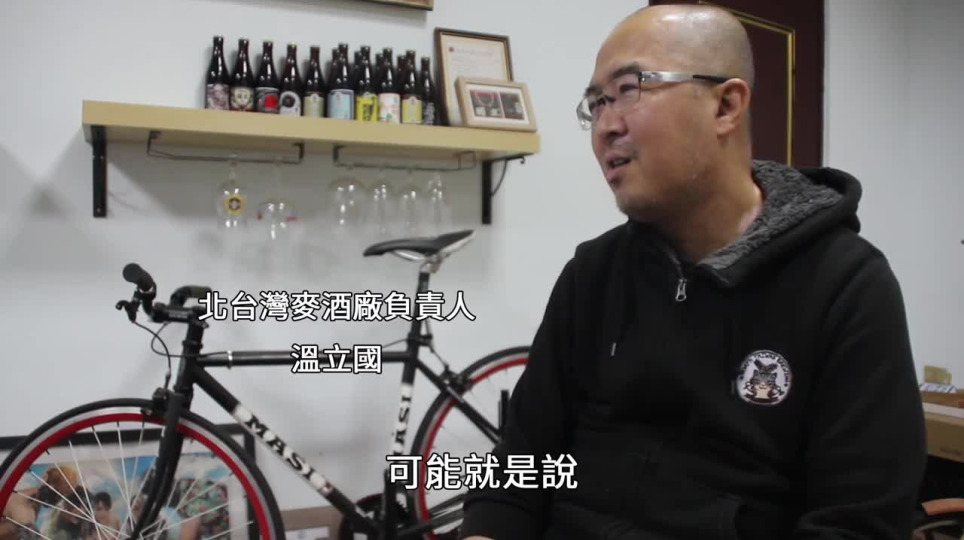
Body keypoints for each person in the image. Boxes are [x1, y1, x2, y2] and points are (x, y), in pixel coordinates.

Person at [460, 4, 927, 540]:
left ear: (726, 105)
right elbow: (515, 471)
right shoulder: (593, 275)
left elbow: (858, 523)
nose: (606, 126)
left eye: (629, 89)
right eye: (596, 103)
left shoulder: (846, 286)